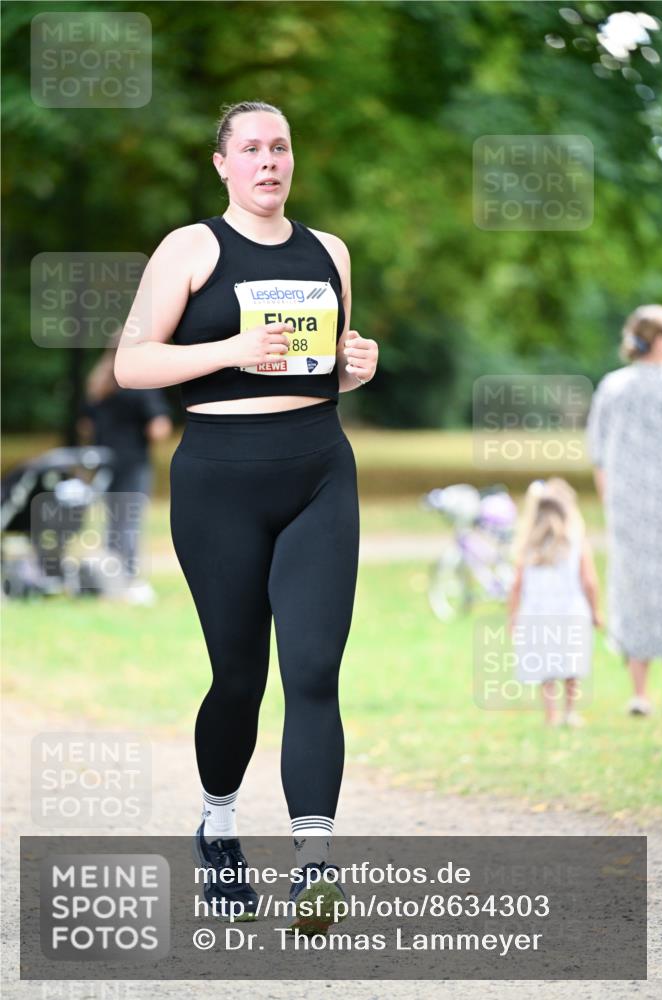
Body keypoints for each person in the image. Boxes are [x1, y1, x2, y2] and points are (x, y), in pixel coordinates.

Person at [113, 100, 379, 927]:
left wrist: (355, 365)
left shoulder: (329, 251)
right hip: (218, 481)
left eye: (281, 147)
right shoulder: (190, 248)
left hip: (318, 472)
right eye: (253, 148)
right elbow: (130, 364)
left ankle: (313, 866)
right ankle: (218, 826)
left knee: (313, 670)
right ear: (222, 164)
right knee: (238, 677)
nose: (269, 161)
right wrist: (229, 349)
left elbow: (323, 365)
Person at [586, 304, 662, 716]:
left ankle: (640, 692)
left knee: (632, 589)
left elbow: (597, 450)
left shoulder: (613, 386)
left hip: (626, 506)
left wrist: (610, 500)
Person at [78, 338, 173, 605]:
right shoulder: (140, 383)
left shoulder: (98, 383)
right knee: (129, 522)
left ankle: (111, 578)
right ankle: (131, 581)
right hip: (133, 461)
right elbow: (159, 427)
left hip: (104, 463)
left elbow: (85, 426)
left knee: (111, 523)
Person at [508, 478, 602, 727]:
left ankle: (550, 714)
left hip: (537, 613)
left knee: (545, 664)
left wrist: (513, 616)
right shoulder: (576, 542)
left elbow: (516, 585)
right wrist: (596, 611)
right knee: (571, 664)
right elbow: (589, 581)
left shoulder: (528, 545)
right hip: (571, 611)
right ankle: (570, 711)